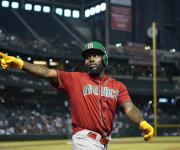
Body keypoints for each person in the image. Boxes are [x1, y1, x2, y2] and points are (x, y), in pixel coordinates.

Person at [0, 41, 154, 150]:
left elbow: (129, 107)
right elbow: (47, 72)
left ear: (104, 59)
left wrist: (142, 123)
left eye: (95, 55)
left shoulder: (118, 86)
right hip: (85, 140)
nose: (91, 59)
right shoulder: (75, 79)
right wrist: (21, 64)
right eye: (87, 57)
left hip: (103, 143)